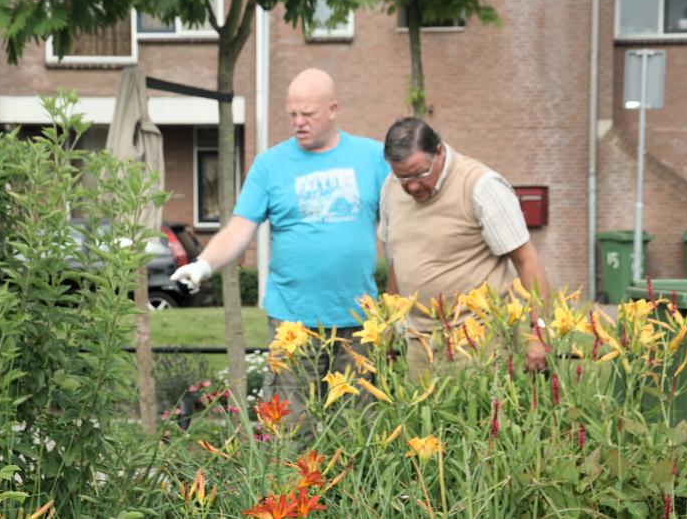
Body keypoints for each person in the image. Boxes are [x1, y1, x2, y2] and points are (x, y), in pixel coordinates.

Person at [171, 68, 390, 426]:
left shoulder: (371, 158)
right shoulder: (270, 165)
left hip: (357, 322)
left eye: (309, 114)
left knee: (357, 427)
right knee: (290, 427)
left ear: (333, 109)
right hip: (293, 322)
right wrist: (203, 264)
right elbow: (240, 227)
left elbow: (403, 218)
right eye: (292, 114)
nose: (298, 123)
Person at [378, 117, 550, 378]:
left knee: (483, 417)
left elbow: (528, 262)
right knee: (422, 419)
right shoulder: (391, 189)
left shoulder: (481, 185)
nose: (412, 186)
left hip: (479, 340)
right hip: (418, 343)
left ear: (438, 150)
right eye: (403, 177)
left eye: (420, 173)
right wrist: (387, 328)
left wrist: (538, 334)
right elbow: (396, 262)